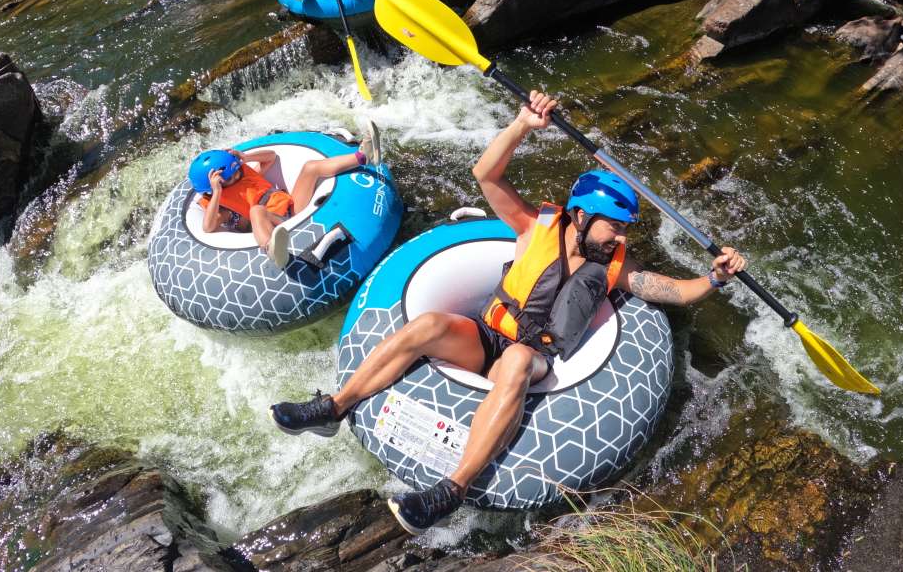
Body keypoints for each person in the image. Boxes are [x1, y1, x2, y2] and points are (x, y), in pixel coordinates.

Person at [268, 92, 747, 534]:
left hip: (535, 357)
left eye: (624, 229)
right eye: (614, 226)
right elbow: (486, 174)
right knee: (430, 325)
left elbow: (673, 292)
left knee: (517, 361)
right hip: (487, 335)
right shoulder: (532, 226)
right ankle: (333, 407)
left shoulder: (614, 266)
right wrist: (521, 125)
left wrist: (715, 278)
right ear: (580, 215)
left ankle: (450, 492)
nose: (620, 237)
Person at [188, 120, 381, 269]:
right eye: (231, 177)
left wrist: (245, 157)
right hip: (277, 224)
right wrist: (217, 192)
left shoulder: (242, 173)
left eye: (238, 170)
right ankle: (271, 250)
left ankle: (364, 156)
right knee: (256, 210)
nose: (238, 174)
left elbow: (270, 157)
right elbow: (208, 227)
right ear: (214, 186)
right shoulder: (220, 202)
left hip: (292, 209)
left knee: (310, 167)